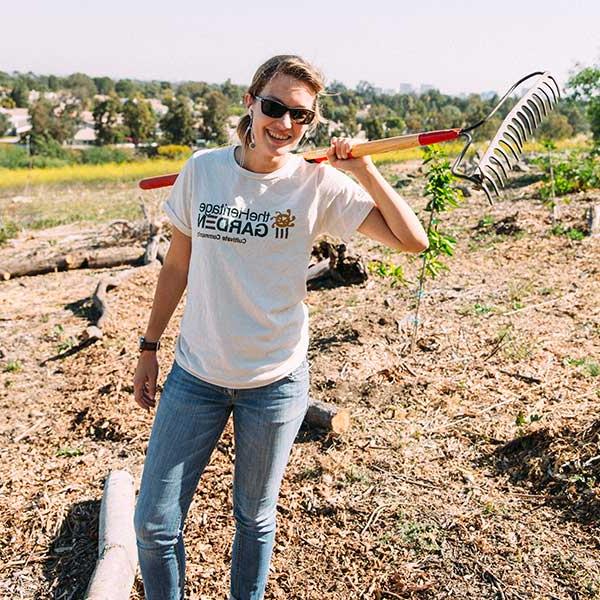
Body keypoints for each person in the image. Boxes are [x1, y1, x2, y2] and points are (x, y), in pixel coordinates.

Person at [132, 54, 428, 600]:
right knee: (153, 524)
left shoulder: (315, 183)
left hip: (274, 382)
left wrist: (363, 169)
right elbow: (177, 266)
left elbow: (413, 241)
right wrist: (149, 346)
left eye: (301, 116)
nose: (286, 125)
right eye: (275, 108)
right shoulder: (203, 170)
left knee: (254, 518)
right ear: (251, 102)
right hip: (195, 374)